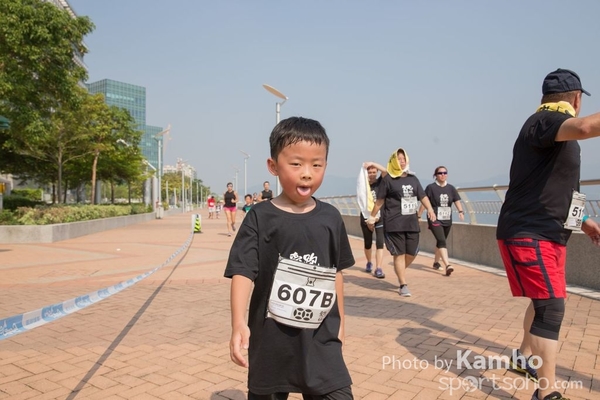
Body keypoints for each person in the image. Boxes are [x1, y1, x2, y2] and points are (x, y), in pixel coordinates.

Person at [225, 116, 355, 399]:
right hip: (272, 340)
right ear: (273, 166)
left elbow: (336, 273)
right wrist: (238, 323)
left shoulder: (331, 218)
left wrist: (342, 324)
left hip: (321, 338)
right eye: (296, 164)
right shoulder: (259, 217)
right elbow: (243, 271)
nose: (307, 173)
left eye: (316, 165)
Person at [496, 68, 600, 400]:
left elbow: (565, 187)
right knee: (551, 307)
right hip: (530, 231)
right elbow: (585, 127)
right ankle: (547, 391)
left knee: (547, 300)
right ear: (576, 99)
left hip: (550, 233)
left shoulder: (556, 133)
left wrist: (584, 220)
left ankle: (523, 356)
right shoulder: (543, 122)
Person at [367, 148, 436, 297]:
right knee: (399, 254)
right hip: (394, 223)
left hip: (411, 223)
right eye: (399, 158)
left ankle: (399, 270)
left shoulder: (413, 179)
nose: (402, 161)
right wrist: (372, 217)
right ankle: (403, 284)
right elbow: (379, 201)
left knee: (412, 253)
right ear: (393, 161)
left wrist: (430, 209)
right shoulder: (388, 179)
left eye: (404, 158)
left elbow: (422, 196)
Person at [418, 166, 464, 276]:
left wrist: (460, 211)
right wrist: (419, 215)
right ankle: (448, 265)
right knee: (442, 240)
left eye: (445, 173)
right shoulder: (431, 188)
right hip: (434, 218)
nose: (443, 175)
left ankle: (436, 263)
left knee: (441, 241)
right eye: (440, 173)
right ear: (435, 175)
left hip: (447, 219)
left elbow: (456, 200)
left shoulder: (451, 188)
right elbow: (425, 201)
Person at [357, 161, 387, 278]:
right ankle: (369, 262)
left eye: (374, 172)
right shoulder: (363, 185)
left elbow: (385, 171)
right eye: (370, 172)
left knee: (380, 243)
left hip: (380, 217)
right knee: (368, 242)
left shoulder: (380, 182)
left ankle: (379, 267)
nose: (372, 174)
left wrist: (372, 163)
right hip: (366, 216)